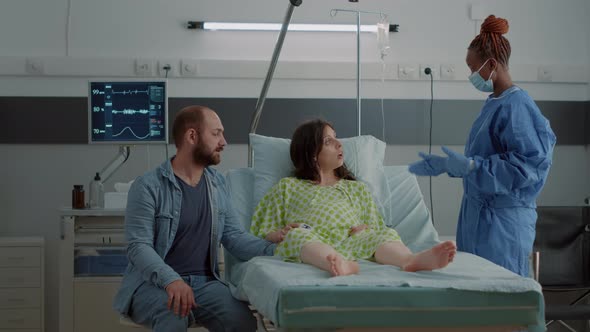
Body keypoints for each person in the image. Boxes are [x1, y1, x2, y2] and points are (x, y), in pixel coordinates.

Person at [408, 15, 556, 277]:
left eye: (473, 68)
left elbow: (530, 165)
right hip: (478, 218)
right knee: (476, 293)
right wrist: (449, 166)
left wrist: (473, 166)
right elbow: (485, 158)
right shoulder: (495, 103)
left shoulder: (517, 105)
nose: (471, 75)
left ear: (492, 65)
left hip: (503, 224)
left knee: (503, 298)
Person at [113, 105, 276, 332]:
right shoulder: (148, 186)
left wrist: (278, 248)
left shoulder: (218, 184)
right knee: (173, 313)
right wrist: (172, 281)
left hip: (205, 285)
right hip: (153, 284)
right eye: (216, 133)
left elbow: (234, 237)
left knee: (242, 321)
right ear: (192, 136)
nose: (224, 142)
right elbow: (138, 246)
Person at [250, 119, 457, 276]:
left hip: (352, 239)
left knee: (385, 235)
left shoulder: (356, 189)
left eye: (336, 138)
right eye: (329, 141)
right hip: (312, 238)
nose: (340, 144)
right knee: (297, 237)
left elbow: (376, 226)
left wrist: (366, 229)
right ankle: (336, 262)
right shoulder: (288, 187)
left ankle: (410, 260)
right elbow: (262, 230)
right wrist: (279, 234)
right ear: (312, 153)